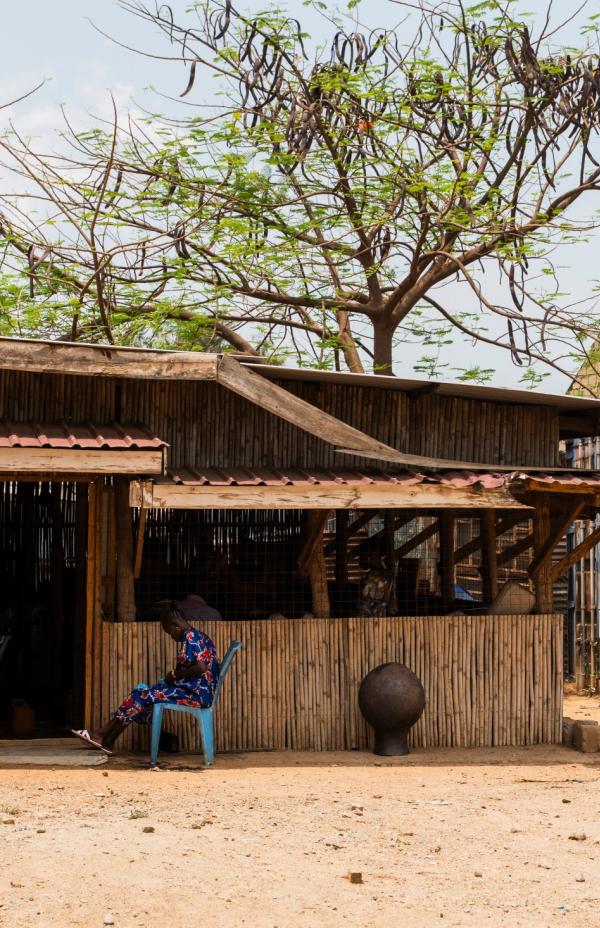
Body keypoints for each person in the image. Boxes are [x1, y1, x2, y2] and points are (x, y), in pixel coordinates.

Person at [71, 603, 219, 755]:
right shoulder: (198, 636)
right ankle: (105, 738)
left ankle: (103, 736)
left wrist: (175, 675)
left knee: (139, 696)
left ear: (175, 625)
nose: (172, 637)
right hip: (194, 692)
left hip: (196, 696)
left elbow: (201, 668)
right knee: (140, 693)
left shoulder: (191, 637)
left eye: (170, 633)